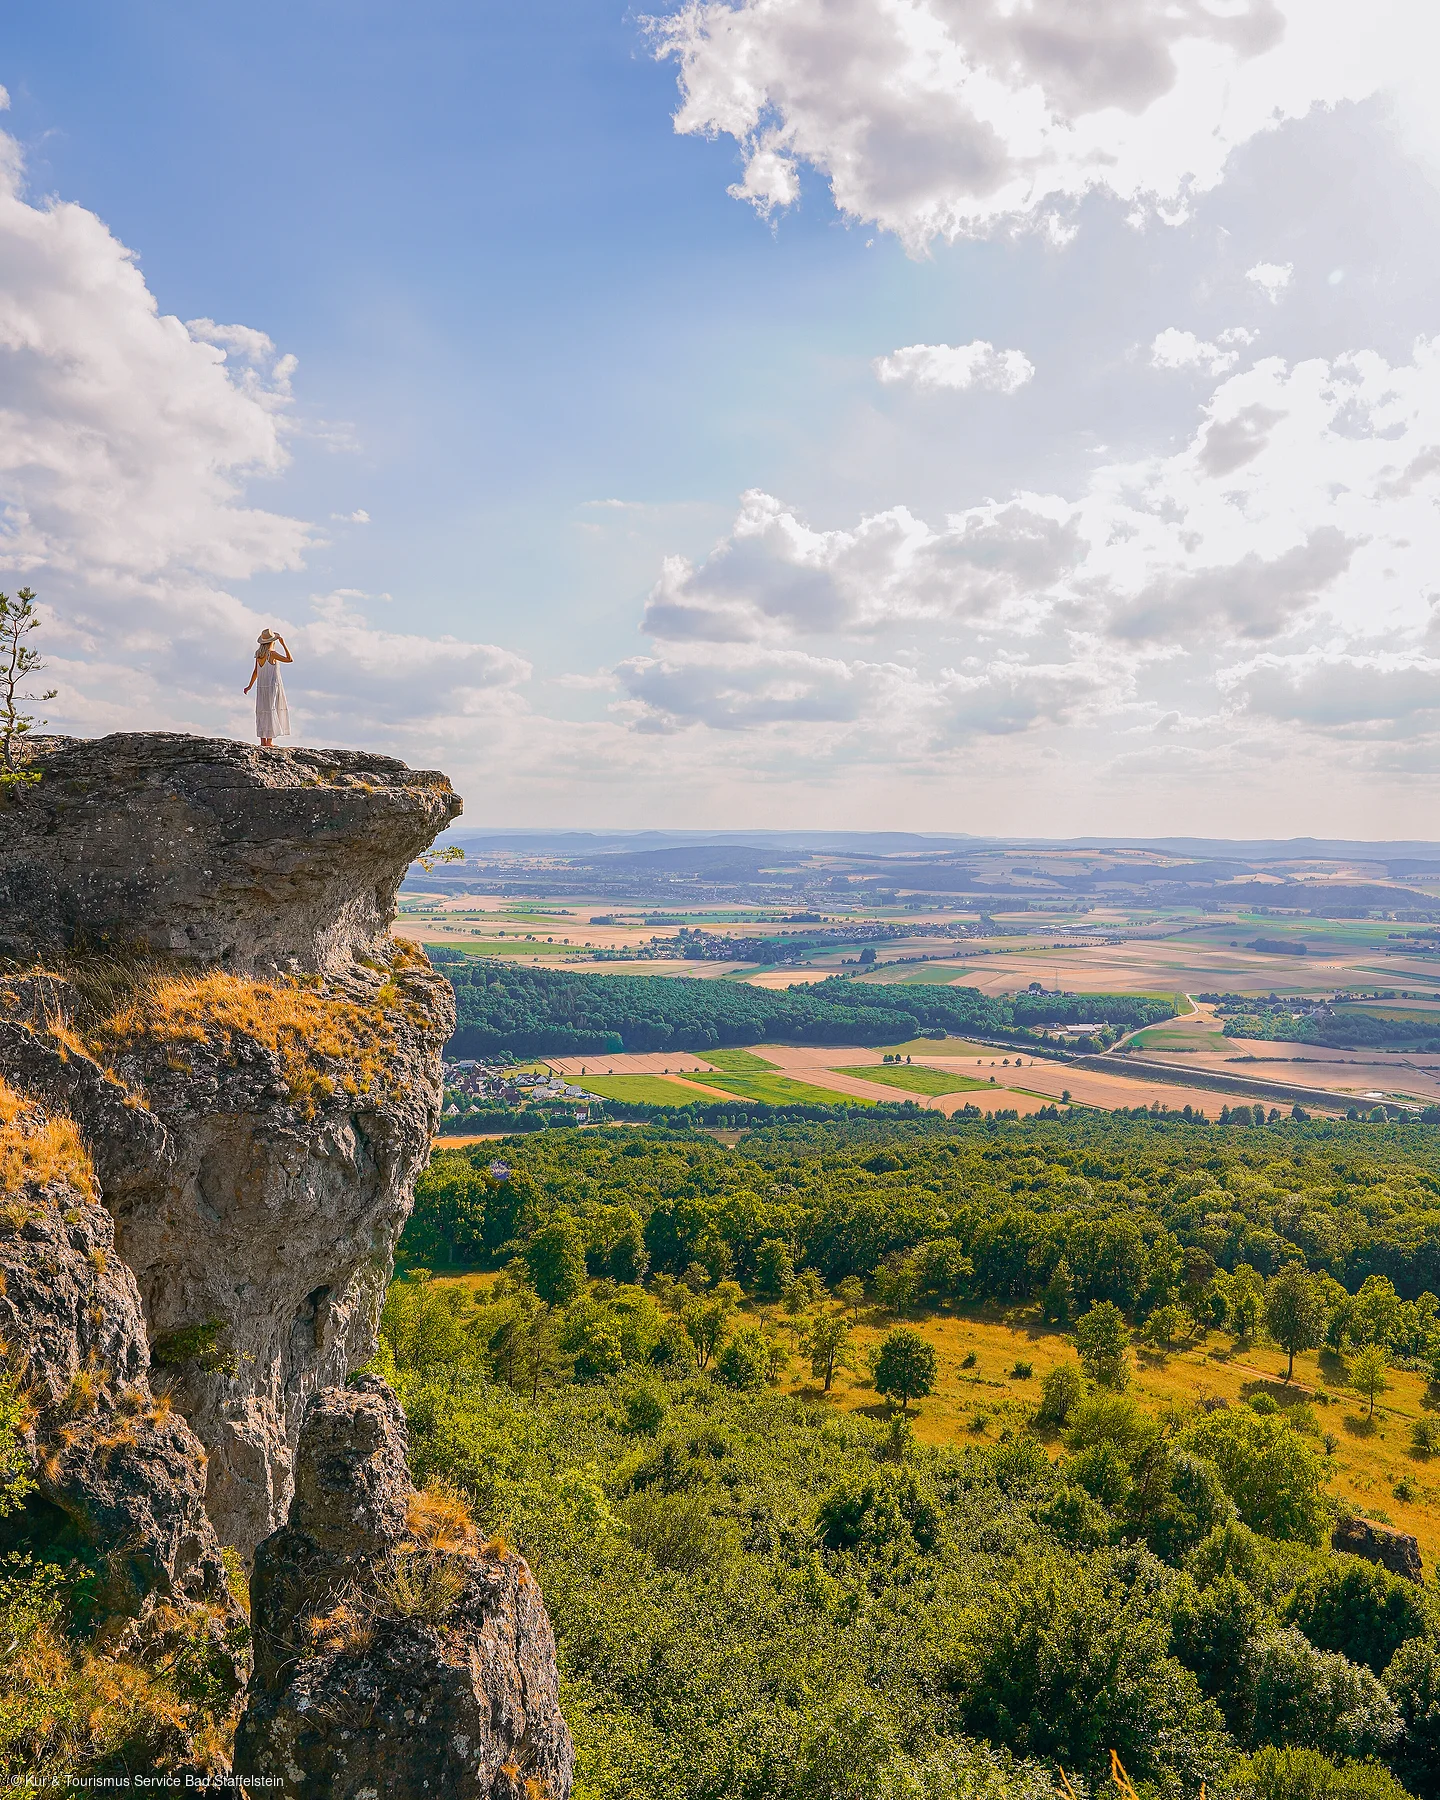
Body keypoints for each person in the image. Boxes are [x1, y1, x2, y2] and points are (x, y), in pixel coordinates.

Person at [244, 629, 293, 746]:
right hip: (272, 685)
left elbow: (256, 671)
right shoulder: (272, 654)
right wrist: (283, 644)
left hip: (261, 686)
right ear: (272, 641)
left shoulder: (258, 654)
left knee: (262, 710)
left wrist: (250, 686)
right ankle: (269, 741)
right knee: (272, 709)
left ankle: (263, 741)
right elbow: (289, 659)